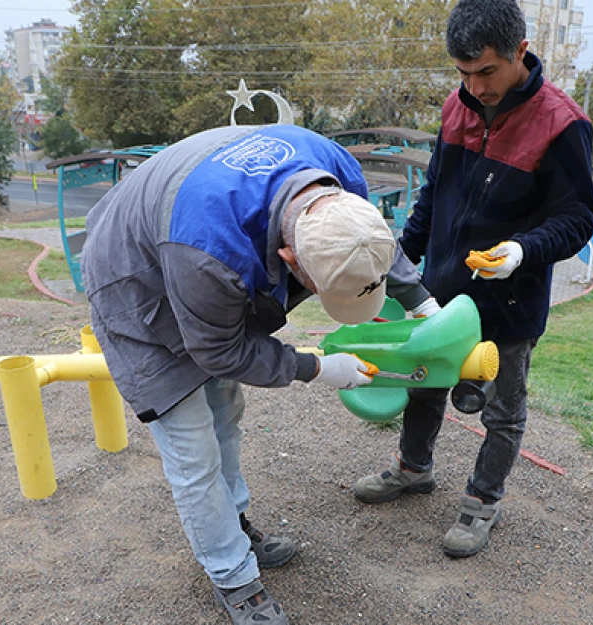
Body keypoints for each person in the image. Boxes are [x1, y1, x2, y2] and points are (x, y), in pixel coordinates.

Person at [82, 124, 435, 625]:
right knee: (193, 447)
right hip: (136, 281)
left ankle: (235, 525)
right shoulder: (209, 253)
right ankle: (233, 577)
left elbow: (364, 238)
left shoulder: (332, 168)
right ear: (289, 258)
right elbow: (220, 350)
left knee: (225, 411)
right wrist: (313, 368)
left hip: (192, 244)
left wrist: (423, 302)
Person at [352, 0, 593, 559]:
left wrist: (522, 249)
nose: (475, 86)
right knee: (423, 381)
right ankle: (413, 469)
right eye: (463, 74)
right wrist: (397, 263)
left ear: (520, 51)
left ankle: (481, 501)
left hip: (509, 300)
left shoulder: (563, 124)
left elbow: (579, 217)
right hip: (440, 291)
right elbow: (433, 198)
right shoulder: (456, 109)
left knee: (502, 409)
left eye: (486, 71)